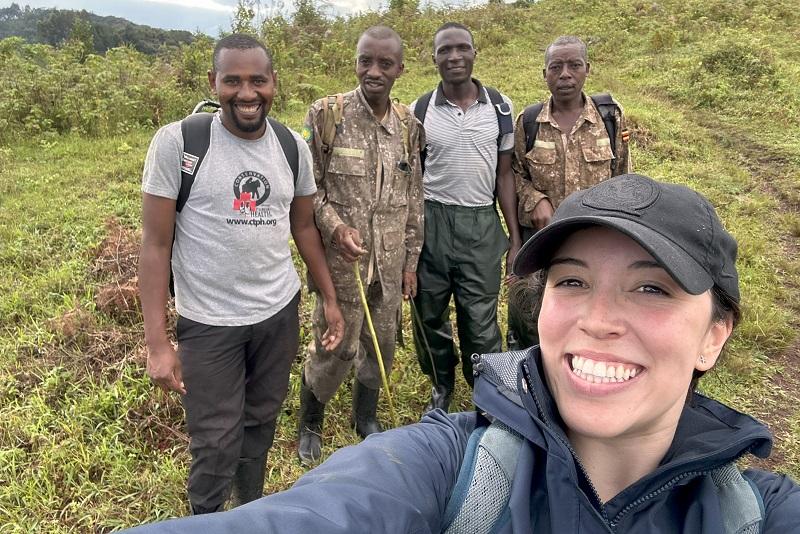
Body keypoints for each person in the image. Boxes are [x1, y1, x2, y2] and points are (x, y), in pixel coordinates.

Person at [123, 174, 799, 533]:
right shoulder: (452, 470)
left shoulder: (759, 515)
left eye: (650, 288)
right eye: (572, 280)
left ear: (716, 332)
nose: (598, 320)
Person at [138, 33, 344, 514]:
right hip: (209, 323)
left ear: (274, 84)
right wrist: (157, 343)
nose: (246, 93)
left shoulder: (293, 147)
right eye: (232, 81)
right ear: (214, 82)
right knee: (214, 440)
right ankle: (206, 519)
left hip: (278, 313)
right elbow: (154, 244)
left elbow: (304, 229)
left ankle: (249, 507)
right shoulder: (179, 143)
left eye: (258, 80)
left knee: (261, 422)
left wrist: (329, 299)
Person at [295, 25, 424, 465]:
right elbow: (308, 190)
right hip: (341, 265)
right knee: (334, 345)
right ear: (355, 61)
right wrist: (334, 228)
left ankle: (364, 418)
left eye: (384, 63)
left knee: (381, 344)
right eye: (365, 60)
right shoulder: (326, 114)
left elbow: (414, 198)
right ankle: (310, 422)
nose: (373, 71)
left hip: (388, 267)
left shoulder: (410, 126)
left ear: (400, 69)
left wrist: (411, 261)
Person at [410, 22, 521, 413]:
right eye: (445, 50)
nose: (454, 57)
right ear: (434, 58)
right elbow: (413, 177)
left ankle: (484, 390)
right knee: (428, 311)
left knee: (480, 317)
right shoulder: (419, 110)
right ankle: (441, 381)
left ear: (475, 53)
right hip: (432, 221)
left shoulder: (500, 107)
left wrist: (514, 238)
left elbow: (504, 174)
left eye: (462, 48)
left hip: (481, 224)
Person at [508, 35, 631, 349]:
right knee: (531, 317)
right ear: (545, 74)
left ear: (587, 69)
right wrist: (535, 199)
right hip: (542, 242)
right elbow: (516, 173)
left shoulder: (609, 119)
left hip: (595, 243)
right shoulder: (529, 122)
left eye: (574, 65)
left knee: (588, 320)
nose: (565, 74)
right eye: (556, 67)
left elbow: (622, 179)